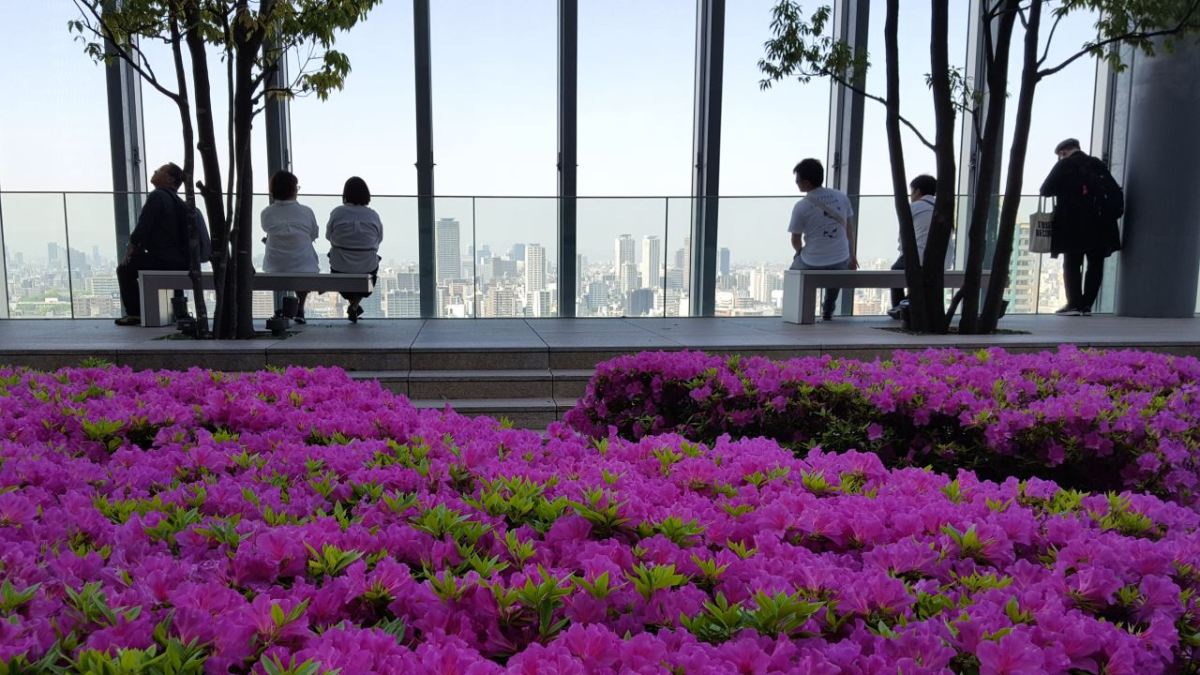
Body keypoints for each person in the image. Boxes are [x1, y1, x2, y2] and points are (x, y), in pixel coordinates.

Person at [1040, 138, 1123, 316]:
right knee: (1095, 264)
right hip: (1101, 224)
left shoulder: (1065, 165)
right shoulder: (1097, 164)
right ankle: (1086, 305)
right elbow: (1114, 190)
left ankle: (1074, 304)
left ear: (1063, 153)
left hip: (1072, 224)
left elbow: (1045, 190)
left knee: (1072, 263)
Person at [115, 162, 191, 326]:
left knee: (125, 269)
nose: (156, 171)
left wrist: (131, 248)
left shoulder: (158, 196)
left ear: (170, 179)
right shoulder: (178, 201)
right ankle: (179, 310)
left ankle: (135, 313)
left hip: (164, 261)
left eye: (161, 170)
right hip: (180, 261)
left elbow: (143, 227)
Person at [787, 158, 857, 321]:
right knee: (838, 266)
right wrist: (851, 255)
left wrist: (799, 252)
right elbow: (849, 230)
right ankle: (828, 310)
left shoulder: (801, 206)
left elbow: (795, 239)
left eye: (797, 180)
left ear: (806, 182)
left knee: (793, 273)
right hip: (841, 259)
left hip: (812, 261)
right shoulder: (841, 197)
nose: (796, 183)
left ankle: (798, 312)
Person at [261, 171, 319, 323]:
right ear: (294, 190)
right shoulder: (306, 212)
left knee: (281, 255)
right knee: (304, 259)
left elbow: (268, 230)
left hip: (274, 266)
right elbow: (313, 234)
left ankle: (283, 309)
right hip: (304, 266)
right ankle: (300, 307)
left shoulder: (267, 213)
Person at [326, 176, 382, 323]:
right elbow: (378, 239)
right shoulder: (373, 215)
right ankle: (355, 305)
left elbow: (328, 236)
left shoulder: (337, 213)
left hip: (340, 266)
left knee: (335, 260)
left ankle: (354, 304)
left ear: (345, 194)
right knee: (370, 271)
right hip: (367, 266)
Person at [888, 174, 942, 319]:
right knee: (920, 280)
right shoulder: (941, 207)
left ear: (917, 191)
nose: (911, 195)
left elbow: (903, 238)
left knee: (895, 273)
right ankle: (908, 302)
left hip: (917, 254)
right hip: (942, 257)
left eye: (912, 191)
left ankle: (899, 309)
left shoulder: (914, 207)